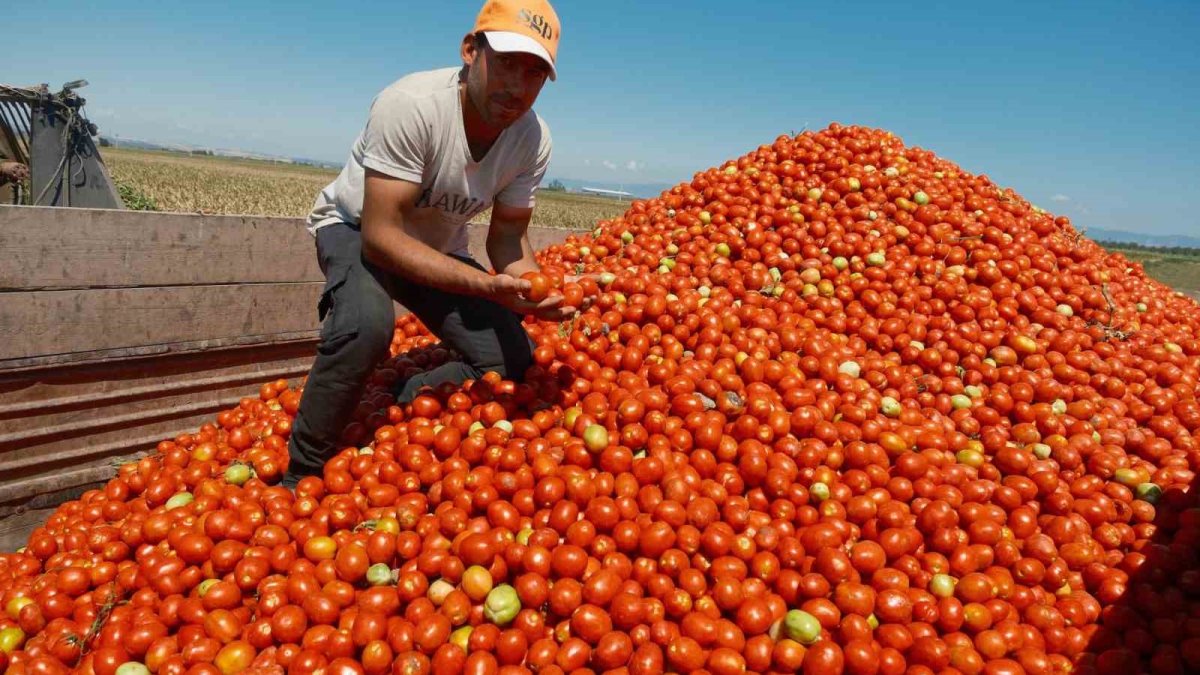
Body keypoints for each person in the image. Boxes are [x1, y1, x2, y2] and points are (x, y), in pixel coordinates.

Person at [283, 0, 572, 488]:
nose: (517, 87)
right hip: (358, 228)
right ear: (470, 51)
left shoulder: (532, 140)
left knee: (514, 358)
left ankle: (402, 397)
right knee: (366, 327)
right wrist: (484, 287)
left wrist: (530, 286)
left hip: (436, 245)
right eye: (505, 63)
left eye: (534, 73)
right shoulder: (413, 105)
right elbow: (381, 238)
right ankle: (302, 471)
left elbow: (507, 237)